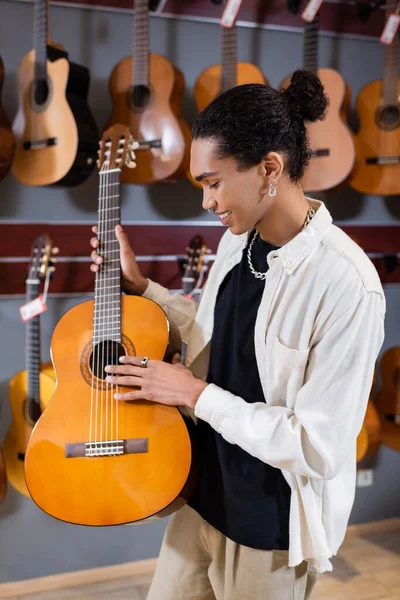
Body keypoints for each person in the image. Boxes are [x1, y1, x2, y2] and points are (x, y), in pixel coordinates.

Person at [90, 70, 386, 600]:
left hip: (268, 526)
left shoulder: (348, 283)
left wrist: (194, 394)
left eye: (213, 182)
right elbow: (216, 335)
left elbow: (318, 448)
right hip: (201, 492)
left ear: (270, 167)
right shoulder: (238, 240)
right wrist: (143, 287)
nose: (206, 202)